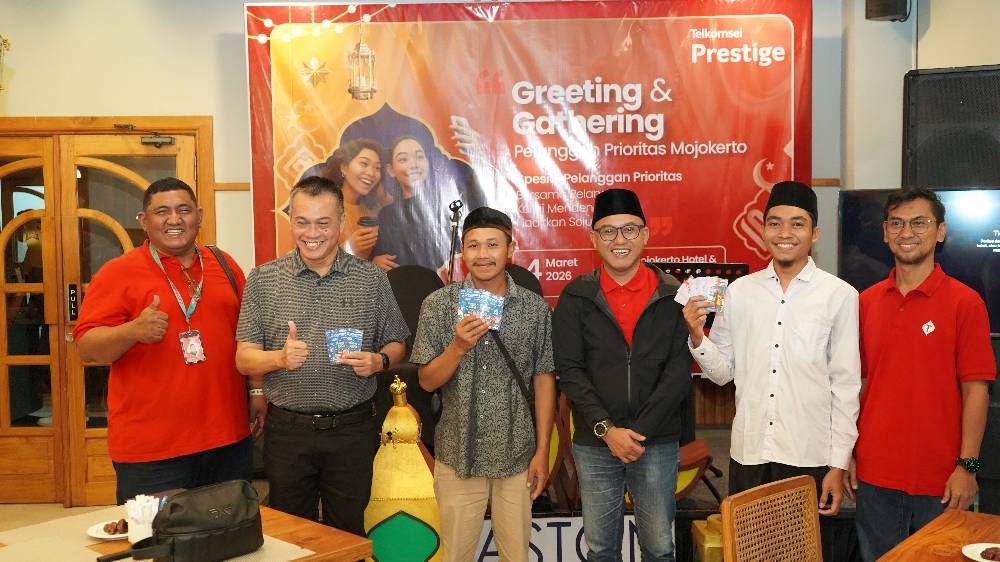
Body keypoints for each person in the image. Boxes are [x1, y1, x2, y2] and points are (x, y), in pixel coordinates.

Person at [684, 181, 860, 542]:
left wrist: (839, 464)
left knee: (803, 552)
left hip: (809, 456)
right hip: (750, 453)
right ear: (763, 230)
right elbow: (721, 374)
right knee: (749, 550)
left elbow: (846, 387)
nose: (785, 233)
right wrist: (697, 336)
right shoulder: (739, 292)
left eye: (797, 224)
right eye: (775, 223)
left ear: (815, 233)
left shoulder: (840, 295)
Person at [234, 175, 409, 535]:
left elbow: (397, 343)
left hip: (352, 431)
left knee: (349, 533)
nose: (311, 233)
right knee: (292, 536)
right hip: (288, 433)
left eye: (323, 223)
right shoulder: (263, 280)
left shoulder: (371, 279)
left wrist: (378, 361)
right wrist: (279, 359)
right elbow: (243, 358)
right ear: (291, 221)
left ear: (341, 222)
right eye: (302, 222)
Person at [73, 177, 252, 503]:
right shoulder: (117, 273)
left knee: (228, 530)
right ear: (144, 220)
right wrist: (132, 331)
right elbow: (86, 346)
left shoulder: (225, 265)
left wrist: (257, 391)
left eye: (184, 210)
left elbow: (249, 336)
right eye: (162, 212)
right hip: (152, 449)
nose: (174, 219)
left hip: (227, 439)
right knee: (155, 533)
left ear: (199, 215)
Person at [849, 187, 996, 561]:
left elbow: (976, 392)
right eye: (896, 223)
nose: (907, 232)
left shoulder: (966, 303)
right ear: (885, 232)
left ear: (940, 231)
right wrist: (847, 454)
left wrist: (968, 467)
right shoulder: (865, 302)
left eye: (919, 223)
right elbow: (856, 386)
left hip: (943, 480)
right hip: (874, 476)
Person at [410, 207, 556, 562]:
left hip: (517, 454)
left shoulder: (534, 309)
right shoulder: (439, 305)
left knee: (516, 556)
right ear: (463, 252)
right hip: (458, 453)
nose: (483, 254)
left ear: (510, 249)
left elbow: (543, 380)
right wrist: (458, 347)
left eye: (493, 244)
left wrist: (542, 451)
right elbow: (426, 381)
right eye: (473, 245)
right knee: (455, 555)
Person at [553, 188, 691, 562]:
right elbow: (570, 371)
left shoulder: (673, 295)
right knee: (600, 549)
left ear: (645, 235)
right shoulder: (576, 297)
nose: (619, 240)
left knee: (660, 548)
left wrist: (640, 431)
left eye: (629, 229)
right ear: (593, 239)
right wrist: (607, 430)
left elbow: (679, 370)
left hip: (656, 442)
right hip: (596, 443)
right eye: (608, 231)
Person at [373, 135, 451, 272]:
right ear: (391, 170)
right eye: (403, 159)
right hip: (401, 283)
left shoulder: (446, 206)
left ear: (427, 162)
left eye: (419, 157)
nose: (413, 165)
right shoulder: (386, 214)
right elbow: (379, 256)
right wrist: (375, 262)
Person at [321, 138, 394, 269]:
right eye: (364, 164)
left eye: (377, 168)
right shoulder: (323, 208)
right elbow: (313, 265)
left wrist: (373, 264)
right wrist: (349, 248)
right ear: (344, 167)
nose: (371, 173)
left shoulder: (373, 208)